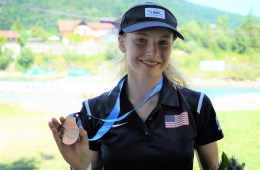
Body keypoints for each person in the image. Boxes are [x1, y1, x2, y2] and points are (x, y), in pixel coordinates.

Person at [48, 2, 224, 170]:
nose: (153, 52)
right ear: (121, 43)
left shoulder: (198, 105)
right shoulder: (94, 111)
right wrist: (80, 168)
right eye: (141, 40)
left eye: (163, 42)